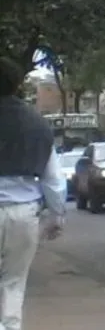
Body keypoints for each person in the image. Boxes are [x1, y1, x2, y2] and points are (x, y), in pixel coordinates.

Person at [0, 57, 65, 330]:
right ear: (17, 83)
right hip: (23, 214)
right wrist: (56, 216)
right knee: (13, 283)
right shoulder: (37, 124)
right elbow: (53, 179)